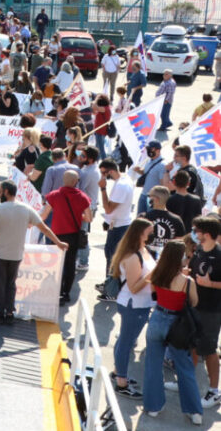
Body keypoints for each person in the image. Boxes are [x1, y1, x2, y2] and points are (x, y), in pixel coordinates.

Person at [0, 180, 68, 324]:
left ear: (6, 192)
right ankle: (9, 312)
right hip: (16, 255)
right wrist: (58, 243)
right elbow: (44, 228)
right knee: (11, 284)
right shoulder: (26, 209)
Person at [142, 241, 203, 424]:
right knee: (185, 367)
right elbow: (194, 302)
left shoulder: (157, 275)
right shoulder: (187, 282)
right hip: (178, 325)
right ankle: (195, 411)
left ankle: (153, 406)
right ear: (180, 258)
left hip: (157, 319)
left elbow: (153, 292)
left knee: (153, 364)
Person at [109, 218, 156, 399]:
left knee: (125, 340)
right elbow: (134, 287)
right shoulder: (132, 257)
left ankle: (117, 371)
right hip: (132, 305)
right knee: (126, 342)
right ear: (139, 233)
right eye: (149, 232)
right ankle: (121, 382)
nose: (152, 235)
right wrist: (152, 275)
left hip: (141, 305)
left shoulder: (143, 250)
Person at [40, 170, 92, 304]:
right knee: (69, 265)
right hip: (73, 236)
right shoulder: (83, 197)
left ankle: (52, 290)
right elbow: (89, 218)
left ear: (63, 180)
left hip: (56, 236)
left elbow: (44, 215)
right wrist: (78, 216)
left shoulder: (54, 195)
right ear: (76, 182)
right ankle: (65, 293)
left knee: (54, 264)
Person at [190, 217, 221, 408]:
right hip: (195, 306)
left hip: (211, 310)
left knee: (209, 350)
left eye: (196, 230)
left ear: (206, 234)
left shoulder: (220, 255)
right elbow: (194, 271)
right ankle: (186, 380)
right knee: (191, 344)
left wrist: (210, 284)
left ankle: (214, 391)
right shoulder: (200, 250)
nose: (194, 233)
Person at [99, 157, 136, 282]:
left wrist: (103, 189)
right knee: (111, 255)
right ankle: (109, 284)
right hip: (117, 224)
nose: (103, 177)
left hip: (118, 227)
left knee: (113, 258)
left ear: (110, 171)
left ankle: (111, 289)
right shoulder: (124, 180)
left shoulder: (121, 185)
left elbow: (108, 208)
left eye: (104, 173)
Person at [143, 186, 186, 257]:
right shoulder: (177, 220)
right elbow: (179, 243)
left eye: (150, 196)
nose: (148, 198)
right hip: (166, 258)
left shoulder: (144, 217)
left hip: (145, 256)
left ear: (155, 199)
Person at [134, 140, 166, 214]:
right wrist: (139, 170)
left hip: (153, 198)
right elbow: (146, 172)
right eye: (148, 149)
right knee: (140, 219)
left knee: (151, 219)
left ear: (158, 150)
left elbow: (163, 184)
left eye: (151, 149)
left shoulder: (162, 165)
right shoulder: (149, 161)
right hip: (143, 194)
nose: (149, 151)